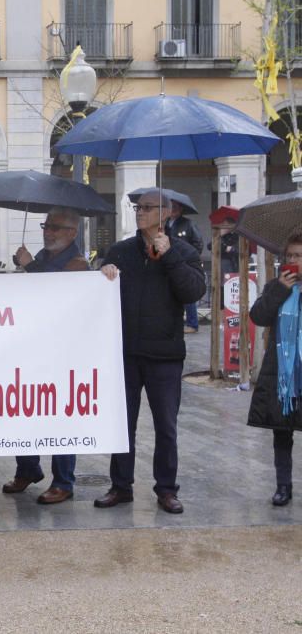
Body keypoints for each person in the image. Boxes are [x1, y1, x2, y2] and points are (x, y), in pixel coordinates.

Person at [98, 191, 206, 514]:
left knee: (166, 426)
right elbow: (99, 295)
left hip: (165, 356)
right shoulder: (121, 251)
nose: (140, 213)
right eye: (138, 208)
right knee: (123, 424)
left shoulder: (184, 251)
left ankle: (167, 489)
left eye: (147, 208)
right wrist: (104, 274)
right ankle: (120, 485)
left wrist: (169, 256)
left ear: (167, 212)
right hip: (127, 354)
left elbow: (193, 292)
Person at [3, 207, 87, 505]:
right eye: (46, 226)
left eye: (55, 227)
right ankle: (28, 469)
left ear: (72, 233)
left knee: (61, 415)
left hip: (63, 352)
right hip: (33, 346)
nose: (48, 231)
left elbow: (55, 293)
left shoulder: (78, 263)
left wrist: (29, 267)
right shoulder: (43, 258)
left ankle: (63, 481)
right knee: (26, 408)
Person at [247, 232, 302, 506]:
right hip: (282, 372)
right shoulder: (275, 287)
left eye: (298, 256)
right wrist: (280, 290)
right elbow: (258, 316)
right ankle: (283, 486)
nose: (291, 261)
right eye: (288, 256)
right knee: (282, 432)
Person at [165, 201, 204, 333]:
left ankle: (192, 323)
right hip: (169, 263)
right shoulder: (164, 223)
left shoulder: (188, 224)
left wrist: (190, 258)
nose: (173, 210)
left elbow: (198, 243)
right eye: (171, 207)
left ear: (181, 209)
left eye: (176, 208)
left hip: (184, 264)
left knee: (187, 293)